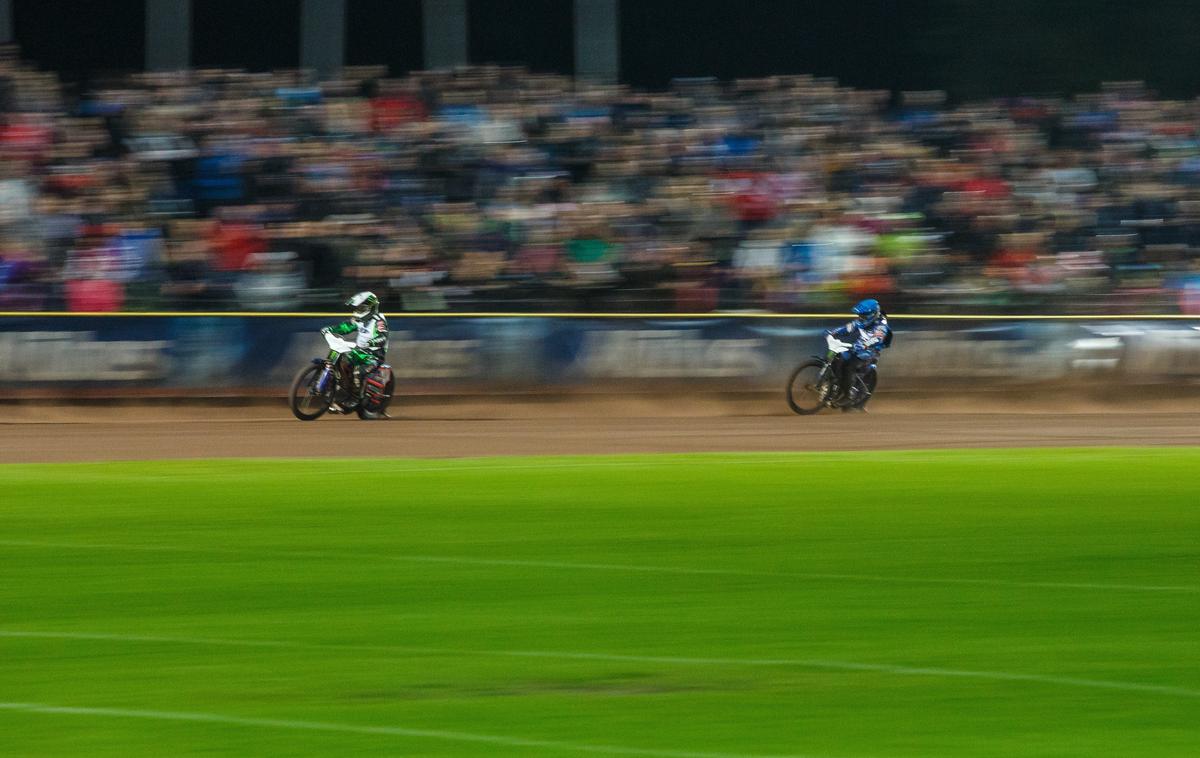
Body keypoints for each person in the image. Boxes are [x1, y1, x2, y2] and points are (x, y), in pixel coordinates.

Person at [321, 291, 389, 408]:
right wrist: (331, 329)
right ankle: (340, 388)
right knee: (341, 357)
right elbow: (347, 327)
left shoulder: (379, 320)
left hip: (374, 355)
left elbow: (383, 337)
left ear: (371, 308)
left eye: (362, 308)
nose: (359, 310)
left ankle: (355, 398)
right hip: (360, 351)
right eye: (358, 308)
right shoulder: (360, 320)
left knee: (358, 370)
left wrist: (370, 342)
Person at [827, 298, 891, 410]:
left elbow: (877, 339)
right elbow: (847, 328)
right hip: (857, 349)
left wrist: (865, 345)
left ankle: (847, 395)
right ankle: (837, 386)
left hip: (870, 353)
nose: (861, 318)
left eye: (864, 316)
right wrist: (833, 332)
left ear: (873, 314)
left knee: (849, 366)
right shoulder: (860, 321)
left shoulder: (881, 325)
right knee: (837, 359)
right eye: (860, 315)